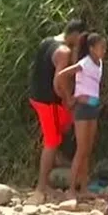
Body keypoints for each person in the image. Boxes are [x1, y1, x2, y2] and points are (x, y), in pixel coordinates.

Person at [28, 19, 87, 203]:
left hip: (36, 96)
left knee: (64, 126)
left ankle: (57, 161)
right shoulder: (64, 51)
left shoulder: (47, 41)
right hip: (49, 102)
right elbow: (58, 81)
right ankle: (41, 187)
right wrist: (68, 98)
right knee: (52, 141)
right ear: (76, 35)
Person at [54, 33, 107, 200]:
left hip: (93, 105)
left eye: (104, 48)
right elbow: (62, 75)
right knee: (81, 149)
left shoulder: (100, 63)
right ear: (91, 48)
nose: (103, 51)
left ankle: (83, 188)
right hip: (83, 107)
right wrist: (71, 97)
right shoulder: (84, 63)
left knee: (88, 150)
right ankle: (71, 189)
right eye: (101, 47)